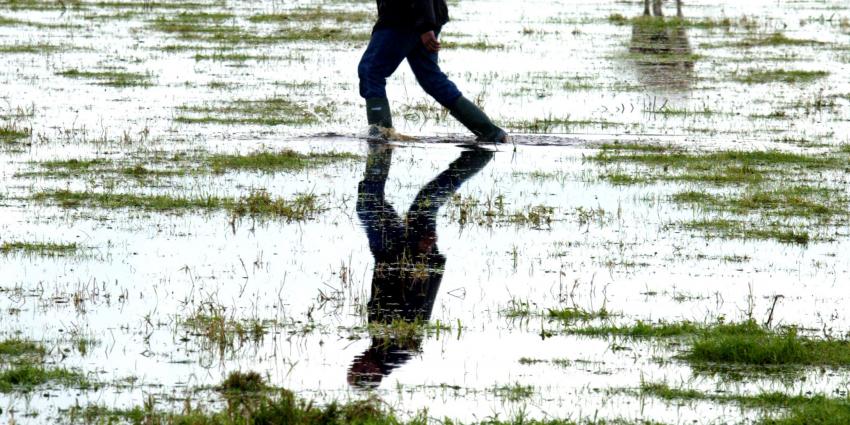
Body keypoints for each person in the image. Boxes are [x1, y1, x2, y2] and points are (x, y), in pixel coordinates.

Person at [348, 144, 494, 388]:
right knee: (422, 204)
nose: (356, 360)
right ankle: (481, 155)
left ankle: (380, 145)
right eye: (357, 367)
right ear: (371, 373)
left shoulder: (385, 349)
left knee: (370, 204)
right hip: (412, 258)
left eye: (353, 365)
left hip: (391, 255)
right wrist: (422, 254)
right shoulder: (397, 350)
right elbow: (416, 301)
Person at [357, 0, 508, 143]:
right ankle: (490, 132)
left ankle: (380, 138)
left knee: (371, 71)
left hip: (407, 15)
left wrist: (425, 25)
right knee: (430, 78)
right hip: (416, 14)